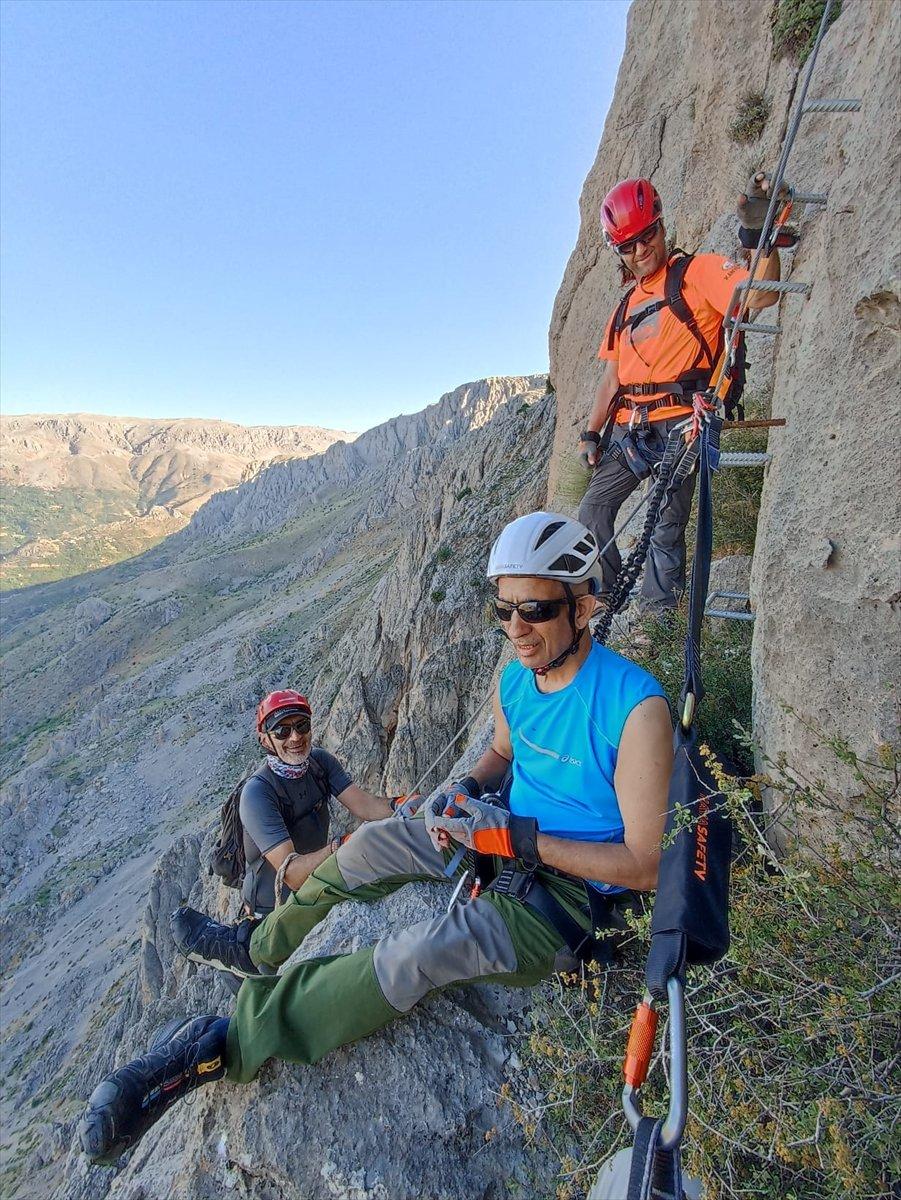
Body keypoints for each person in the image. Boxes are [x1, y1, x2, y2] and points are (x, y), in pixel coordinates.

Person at [77, 513, 673, 1166]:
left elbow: (645, 866)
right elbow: (503, 753)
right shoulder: (515, 680)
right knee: (369, 845)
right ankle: (261, 946)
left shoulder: (633, 709)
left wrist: (521, 841)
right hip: (496, 836)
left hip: (569, 900)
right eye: (502, 610)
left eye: (534, 610)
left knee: (418, 953)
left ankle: (225, 1044)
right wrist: (466, 788)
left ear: (583, 607)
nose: (515, 629)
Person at [577, 173, 786, 614]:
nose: (640, 250)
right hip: (631, 429)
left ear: (661, 225)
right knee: (593, 511)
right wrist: (590, 434)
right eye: (628, 245)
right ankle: (608, 598)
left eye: (647, 235)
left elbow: (760, 296)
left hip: (683, 421)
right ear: (619, 252)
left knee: (665, 524)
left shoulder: (697, 273)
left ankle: (658, 619)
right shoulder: (624, 308)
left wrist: (758, 236)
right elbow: (611, 380)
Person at [175, 687, 412, 975]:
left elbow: (366, 806)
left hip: (316, 890)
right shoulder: (258, 793)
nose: (295, 737)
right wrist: (346, 845)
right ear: (265, 740)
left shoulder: (320, 764)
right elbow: (292, 874)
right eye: (282, 731)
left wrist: (405, 804)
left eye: (302, 726)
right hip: (272, 916)